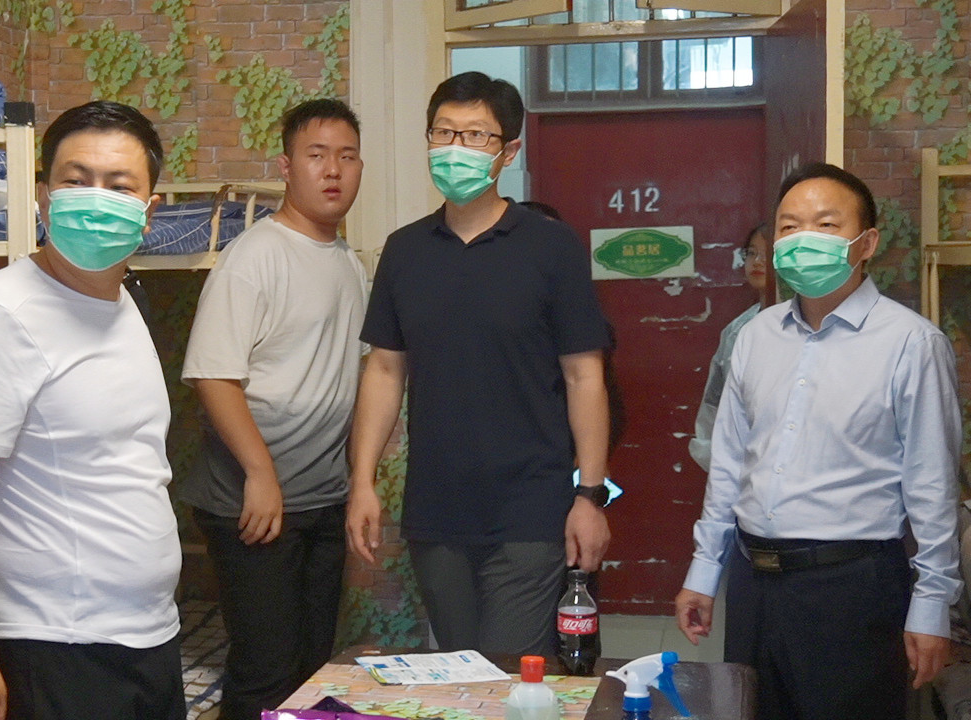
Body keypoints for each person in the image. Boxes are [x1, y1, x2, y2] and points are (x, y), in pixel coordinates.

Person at [0, 101, 185, 720]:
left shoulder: (124, 303)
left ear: (149, 212)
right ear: (43, 196)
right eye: (76, 180)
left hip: (148, 637)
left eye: (119, 186)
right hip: (54, 647)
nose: (96, 199)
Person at [675, 162, 963, 720]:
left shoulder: (911, 344)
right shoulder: (755, 337)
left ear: (866, 243)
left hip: (852, 588)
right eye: (789, 226)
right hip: (754, 582)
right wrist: (704, 572)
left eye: (827, 225)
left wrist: (932, 605)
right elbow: (729, 465)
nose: (804, 238)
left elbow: (932, 486)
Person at [346, 71, 612, 657]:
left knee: (509, 673)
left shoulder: (551, 247)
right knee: (461, 672)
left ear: (508, 152)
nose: (456, 148)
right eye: (444, 133)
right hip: (436, 509)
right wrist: (362, 481)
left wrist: (590, 497)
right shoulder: (404, 250)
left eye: (475, 136)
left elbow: (584, 376)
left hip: (530, 508)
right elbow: (385, 370)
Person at [179, 98, 367, 720]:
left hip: (320, 497)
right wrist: (260, 473)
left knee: (311, 672)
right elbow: (213, 375)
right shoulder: (254, 256)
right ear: (287, 167)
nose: (333, 170)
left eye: (346, 157)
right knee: (266, 672)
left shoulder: (349, 263)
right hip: (252, 501)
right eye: (317, 155)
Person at [688, 223, 772, 471]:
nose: (757, 262)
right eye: (752, 253)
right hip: (743, 465)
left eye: (768, 254)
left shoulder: (811, 324)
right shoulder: (737, 330)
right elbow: (714, 405)